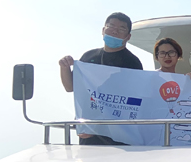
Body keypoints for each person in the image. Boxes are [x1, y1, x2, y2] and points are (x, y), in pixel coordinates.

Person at [58, 12, 143, 145]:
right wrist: (64, 68)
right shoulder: (88, 56)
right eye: (111, 26)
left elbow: (132, 102)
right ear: (103, 30)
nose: (115, 31)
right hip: (88, 130)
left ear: (128, 36)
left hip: (118, 134)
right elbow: (70, 87)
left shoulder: (132, 63)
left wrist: (99, 127)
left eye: (121, 29)